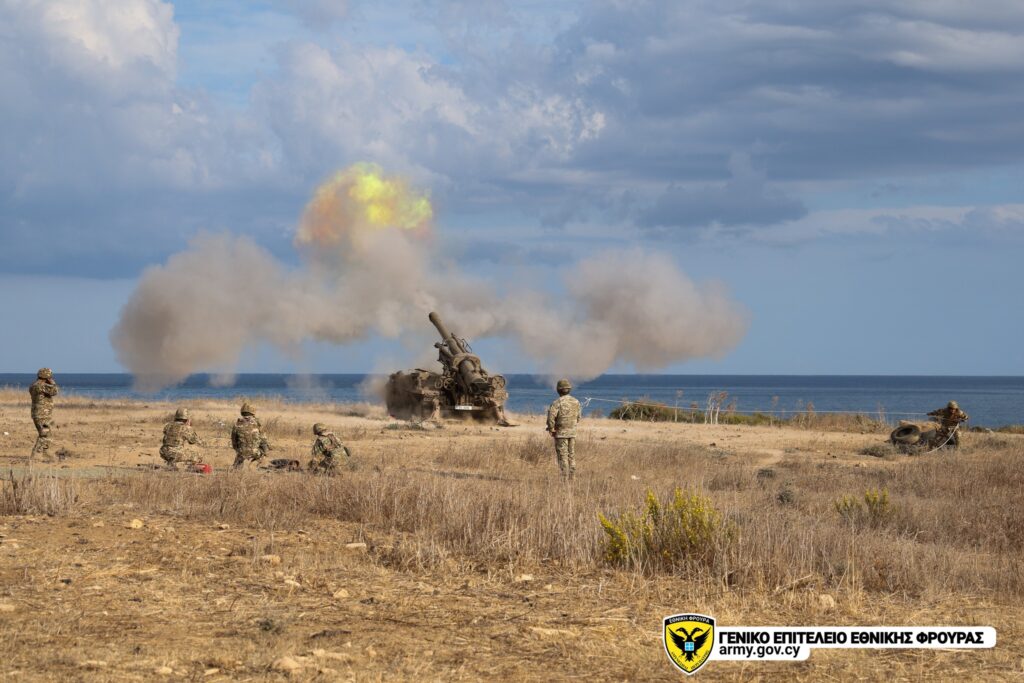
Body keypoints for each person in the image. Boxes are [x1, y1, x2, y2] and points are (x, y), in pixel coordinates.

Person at [546, 378, 581, 480]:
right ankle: (572, 477)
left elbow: (551, 417)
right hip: (572, 432)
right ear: (569, 389)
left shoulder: (557, 403)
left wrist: (551, 429)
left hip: (560, 433)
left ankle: (564, 478)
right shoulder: (576, 402)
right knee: (571, 454)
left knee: (562, 455)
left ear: (558, 390)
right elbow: (579, 417)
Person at [28, 368, 59, 460]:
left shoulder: (33, 385)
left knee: (46, 434)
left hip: (37, 413)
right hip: (42, 414)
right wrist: (52, 382)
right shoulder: (41, 385)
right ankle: (35, 456)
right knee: (44, 435)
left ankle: (45, 454)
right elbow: (54, 391)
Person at [231, 402, 271, 468]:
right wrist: (265, 453)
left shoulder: (236, 425)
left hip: (241, 452)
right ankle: (257, 466)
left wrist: (239, 450)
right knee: (262, 454)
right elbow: (264, 441)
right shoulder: (258, 424)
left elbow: (234, 442)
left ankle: (237, 468)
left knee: (239, 457)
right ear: (253, 412)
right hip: (255, 452)